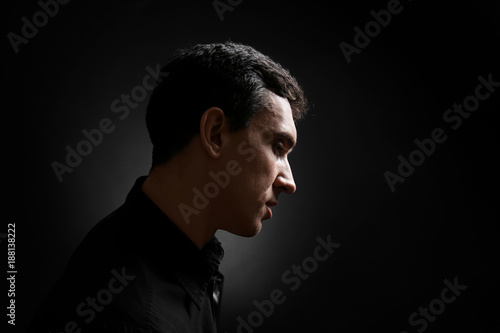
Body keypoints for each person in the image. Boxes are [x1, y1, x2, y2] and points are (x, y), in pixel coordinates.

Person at [27, 41, 308, 333]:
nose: (290, 183)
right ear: (215, 134)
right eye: (277, 147)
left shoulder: (173, 257)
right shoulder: (130, 317)